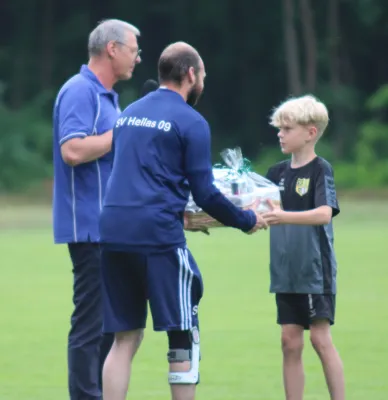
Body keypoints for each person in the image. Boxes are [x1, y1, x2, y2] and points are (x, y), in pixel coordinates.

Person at [98, 41, 267, 400]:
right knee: (183, 331)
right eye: (202, 74)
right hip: (156, 236)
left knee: (124, 338)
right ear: (191, 74)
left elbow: (135, 177)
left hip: (112, 231)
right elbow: (205, 193)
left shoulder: (127, 114)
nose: (202, 80)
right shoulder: (192, 121)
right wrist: (245, 219)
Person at [52, 19, 141, 400]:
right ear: (113, 49)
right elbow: (72, 151)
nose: (138, 58)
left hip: (110, 226)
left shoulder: (107, 96)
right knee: (90, 325)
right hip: (88, 225)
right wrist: (122, 132)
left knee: (110, 325)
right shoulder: (79, 91)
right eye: (134, 50)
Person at [262, 95, 345, 400]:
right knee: (289, 340)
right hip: (286, 271)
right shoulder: (276, 173)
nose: (280, 133)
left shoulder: (320, 169)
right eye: (279, 128)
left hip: (314, 270)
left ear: (310, 132)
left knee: (320, 340)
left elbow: (324, 214)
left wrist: (283, 216)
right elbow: (255, 206)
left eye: (287, 128)